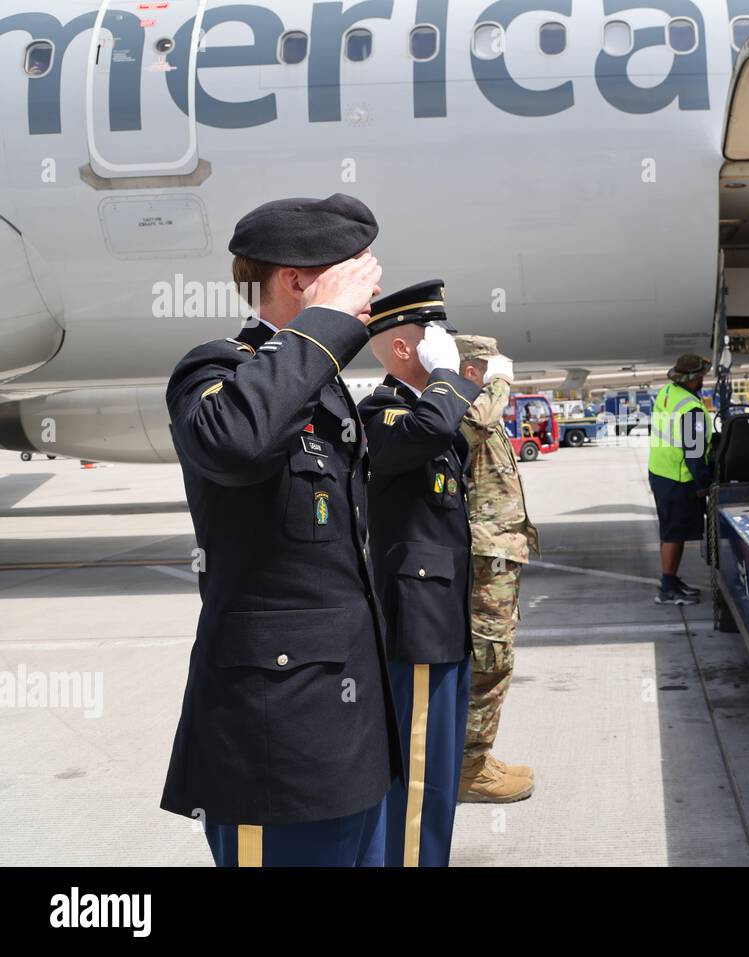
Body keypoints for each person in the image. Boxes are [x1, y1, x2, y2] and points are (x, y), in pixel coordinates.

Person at [162, 193, 401, 867]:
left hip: (351, 739)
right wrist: (324, 324)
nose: (371, 283)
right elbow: (234, 442)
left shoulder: (317, 386)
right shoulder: (217, 372)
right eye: (351, 268)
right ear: (298, 280)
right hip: (276, 751)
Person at [359, 280, 483, 866]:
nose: (450, 353)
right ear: (408, 351)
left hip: (443, 619)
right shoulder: (381, 413)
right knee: (418, 773)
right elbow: (430, 430)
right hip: (417, 623)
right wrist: (447, 380)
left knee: (439, 768)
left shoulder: (430, 410)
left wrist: (454, 384)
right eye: (438, 342)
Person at [455, 335, 539, 803]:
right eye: (486, 367)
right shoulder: (468, 407)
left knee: (496, 658)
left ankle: (477, 757)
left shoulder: (474, 404)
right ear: (472, 369)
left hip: (500, 553)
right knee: (490, 660)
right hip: (487, 557)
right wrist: (500, 380)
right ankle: (470, 770)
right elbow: (482, 420)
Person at [647, 354, 713, 605]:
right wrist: (705, 484)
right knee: (675, 534)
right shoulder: (691, 410)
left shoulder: (667, 392)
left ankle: (672, 580)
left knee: (671, 532)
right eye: (702, 376)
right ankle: (666, 588)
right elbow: (695, 455)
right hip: (677, 478)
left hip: (660, 471)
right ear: (695, 378)